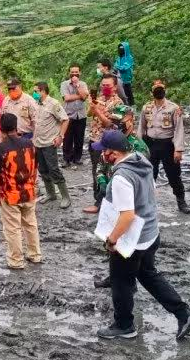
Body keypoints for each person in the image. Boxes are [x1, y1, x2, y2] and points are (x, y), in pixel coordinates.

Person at [92, 130, 190, 340]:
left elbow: (127, 216)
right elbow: (152, 193)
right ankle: (184, 313)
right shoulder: (141, 160)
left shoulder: (122, 178)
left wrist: (112, 240)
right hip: (151, 233)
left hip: (133, 241)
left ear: (112, 153)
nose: (102, 155)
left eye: (104, 151)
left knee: (121, 281)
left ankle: (124, 325)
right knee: (148, 275)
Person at [92, 105, 149, 290]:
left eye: (120, 122)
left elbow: (145, 178)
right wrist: (102, 182)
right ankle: (114, 276)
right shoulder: (111, 139)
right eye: (114, 122)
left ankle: (128, 281)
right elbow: (101, 164)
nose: (116, 126)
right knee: (111, 238)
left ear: (131, 121)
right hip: (112, 197)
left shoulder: (138, 147)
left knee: (126, 241)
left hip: (130, 201)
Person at [0, 113, 41, 270]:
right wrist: (32, 184)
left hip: (10, 195)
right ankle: (35, 254)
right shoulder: (30, 144)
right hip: (29, 192)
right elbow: (35, 169)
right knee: (31, 224)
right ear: (17, 127)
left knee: (13, 229)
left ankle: (16, 260)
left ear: (1, 129)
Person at [137, 80, 190, 214]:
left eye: (160, 88)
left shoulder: (173, 108)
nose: (158, 90)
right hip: (150, 144)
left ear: (165, 90)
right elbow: (141, 126)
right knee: (149, 174)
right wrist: (139, 146)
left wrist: (178, 150)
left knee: (173, 175)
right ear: (152, 92)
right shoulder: (147, 107)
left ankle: (181, 201)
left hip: (167, 145)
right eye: (156, 88)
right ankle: (147, 203)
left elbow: (179, 129)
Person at [84, 74, 124, 214]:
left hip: (108, 144)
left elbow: (112, 124)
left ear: (115, 87)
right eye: (103, 85)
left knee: (109, 172)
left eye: (107, 85)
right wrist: (92, 106)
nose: (104, 88)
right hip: (94, 140)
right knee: (96, 171)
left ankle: (108, 202)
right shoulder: (99, 99)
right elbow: (89, 114)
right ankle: (98, 201)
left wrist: (98, 112)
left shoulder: (119, 103)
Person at [32, 82, 71, 208]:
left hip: (49, 143)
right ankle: (51, 193)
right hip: (38, 143)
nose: (34, 94)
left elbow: (65, 119)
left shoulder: (53, 103)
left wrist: (60, 136)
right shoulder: (36, 104)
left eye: (36, 91)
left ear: (43, 91)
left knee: (53, 169)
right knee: (43, 170)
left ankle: (66, 197)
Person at [60, 64, 89, 168]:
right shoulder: (64, 84)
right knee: (67, 138)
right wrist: (79, 96)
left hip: (81, 115)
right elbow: (66, 98)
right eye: (72, 72)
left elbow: (85, 97)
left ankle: (77, 158)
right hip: (68, 115)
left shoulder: (83, 84)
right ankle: (66, 159)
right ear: (69, 73)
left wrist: (77, 85)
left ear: (79, 73)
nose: (74, 74)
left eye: (76, 72)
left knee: (79, 138)